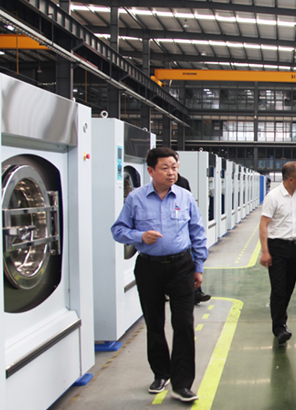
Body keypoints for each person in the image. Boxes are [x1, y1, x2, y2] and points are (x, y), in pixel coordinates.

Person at [111, 147, 208, 403]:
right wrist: (139, 236)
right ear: (151, 171)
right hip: (149, 267)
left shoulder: (185, 197)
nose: (171, 172)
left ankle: (182, 384)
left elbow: (198, 232)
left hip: (181, 266)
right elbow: (118, 230)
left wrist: (198, 266)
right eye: (165, 168)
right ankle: (161, 373)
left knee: (184, 324)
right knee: (154, 323)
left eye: (174, 167)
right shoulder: (136, 198)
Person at [259, 161, 296, 344]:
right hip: (277, 247)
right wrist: (265, 251)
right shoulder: (273, 197)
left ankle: (280, 321)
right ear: (291, 179)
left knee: (288, 288)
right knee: (278, 289)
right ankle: (279, 328)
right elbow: (263, 225)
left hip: (294, 248)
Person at [174, 165, 211, 305]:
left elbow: (196, 226)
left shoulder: (183, 183)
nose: (171, 171)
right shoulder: (141, 195)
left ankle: (196, 292)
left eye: (174, 166)